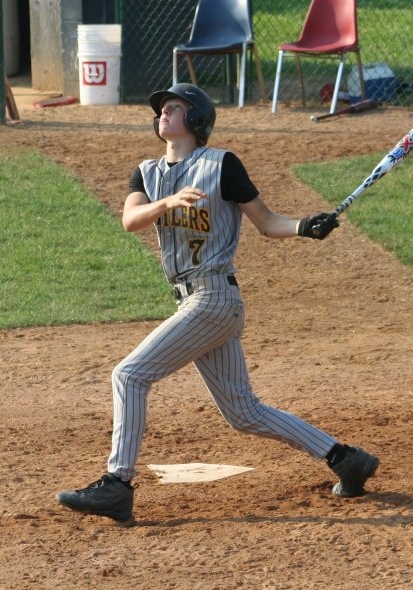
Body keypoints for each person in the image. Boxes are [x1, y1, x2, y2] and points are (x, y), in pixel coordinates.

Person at [55, 83, 379, 523]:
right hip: (193, 303)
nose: (164, 114)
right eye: (162, 110)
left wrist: (305, 225)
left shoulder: (221, 164)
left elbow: (266, 222)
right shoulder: (146, 173)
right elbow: (131, 219)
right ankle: (344, 458)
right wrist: (167, 202)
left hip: (213, 298)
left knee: (129, 375)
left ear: (196, 120)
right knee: (243, 412)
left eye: (174, 108)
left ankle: (117, 485)